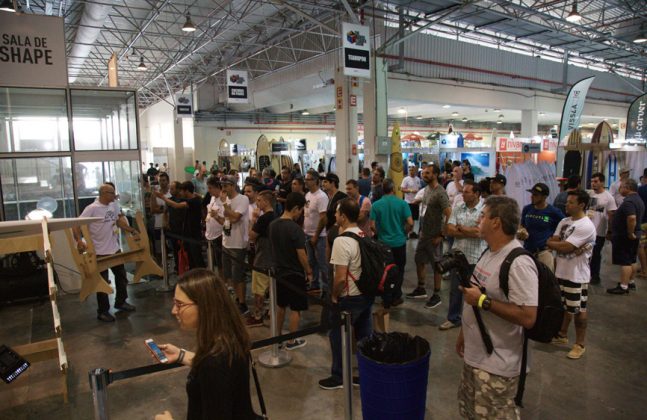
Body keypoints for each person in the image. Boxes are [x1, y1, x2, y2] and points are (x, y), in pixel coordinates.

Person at [456, 196, 538, 419]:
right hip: (476, 358)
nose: (478, 221)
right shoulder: (489, 252)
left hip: (498, 367)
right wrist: (465, 332)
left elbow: (528, 316)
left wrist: (483, 301)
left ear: (496, 222)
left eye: (483, 216)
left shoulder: (519, 263)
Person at [154, 269, 257, 420]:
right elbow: (215, 370)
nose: (174, 310)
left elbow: (213, 369)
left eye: (179, 304)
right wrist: (181, 355)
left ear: (204, 306)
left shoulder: (215, 362)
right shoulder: (230, 337)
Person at [319, 198, 372, 390]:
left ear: (343, 216)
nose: (334, 215)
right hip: (366, 294)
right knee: (365, 337)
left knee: (337, 336)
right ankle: (367, 374)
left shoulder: (342, 241)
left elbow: (340, 278)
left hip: (349, 298)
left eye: (337, 212)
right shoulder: (363, 234)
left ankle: (339, 376)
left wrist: (333, 296)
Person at [73, 184, 139, 322]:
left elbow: (118, 221)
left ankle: (121, 302)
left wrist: (130, 229)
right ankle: (102, 311)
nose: (114, 195)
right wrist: (79, 241)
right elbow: (76, 225)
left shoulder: (113, 205)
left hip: (114, 249)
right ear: (103, 193)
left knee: (122, 277)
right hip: (99, 252)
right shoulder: (92, 208)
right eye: (112, 193)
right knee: (102, 283)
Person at [547, 189, 596, 360]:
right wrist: (557, 244)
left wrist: (557, 244)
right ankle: (562, 334)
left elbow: (567, 247)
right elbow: (552, 241)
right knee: (565, 307)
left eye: (571, 202)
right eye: (567, 202)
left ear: (581, 204)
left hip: (577, 275)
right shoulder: (564, 221)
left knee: (578, 309)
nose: (566, 205)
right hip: (561, 271)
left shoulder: (586, 226)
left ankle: (580, 344)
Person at [439, 180, 486, 331]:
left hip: (476, 257)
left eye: (466, 192)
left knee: (475, 291)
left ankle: (475, 320)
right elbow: (449, 229)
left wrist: (461, 228)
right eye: (463, 191)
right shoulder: (458, 207)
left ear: (476, 194)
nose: (463, 194)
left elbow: (479, 232)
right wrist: (467, 230)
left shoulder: (484, 210)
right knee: (455, 290)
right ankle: (453, 318)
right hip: (458, 256)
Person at [269, 192, 313, 350]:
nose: (300, 214)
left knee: (280, 307)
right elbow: (301, 254)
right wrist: (308, 271)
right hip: (294, 273)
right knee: (296, 309)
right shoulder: (295, 229)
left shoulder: (273, 225)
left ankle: (278, 338)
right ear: (295, 208)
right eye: (300, 210)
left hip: (278, 272)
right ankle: (292, 341)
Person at [407, 165, 451, 309]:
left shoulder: (440, 192)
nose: (424, 175)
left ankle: (436, 294)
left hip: (434, 236)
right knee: (419, 260)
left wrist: (442, 235)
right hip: (424, 234)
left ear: (436, 174)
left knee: (437, 265)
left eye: (427, 173)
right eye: (423, 173)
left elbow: (449, 214)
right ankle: (421, 288)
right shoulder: (426, 190)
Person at [370, 178, 413, 307]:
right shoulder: (402, 204)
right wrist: (404, 232)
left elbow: (372, 226)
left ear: (382, 190)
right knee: (399, 269)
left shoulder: (376, 205)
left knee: (384, 270)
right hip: (399, 242)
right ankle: (396, 296)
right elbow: (410, 223)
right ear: (393, 189)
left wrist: (380, 233)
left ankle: (385, 296)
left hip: (383, 244)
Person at [607, 179, 645, 294]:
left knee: (625, 262)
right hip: (632, 236)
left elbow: (632, 218)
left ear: (628, 187)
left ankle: (623, 286)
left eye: (622, 186)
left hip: (625, 237)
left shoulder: (629, 202)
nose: (620, 189)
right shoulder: (638, 199)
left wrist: (630, 232)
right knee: (631, 260)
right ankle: (630, 281)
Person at [156, 181, 205, 270]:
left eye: (182, 191)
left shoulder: (194, 201)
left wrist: (163, 197)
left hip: (194, 234)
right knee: (191, 259)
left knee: (197, 258)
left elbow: (176, 205)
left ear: (186, 191)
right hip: (188, 234)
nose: (180, 193)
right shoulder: (192, 199)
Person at [220, 175, 250, 313]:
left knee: (238, 275)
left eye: (226, 186)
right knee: (228, 274)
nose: (224, 189)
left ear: (232, 185)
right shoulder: (224, 200)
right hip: (226, 241)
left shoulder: (243, 199)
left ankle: (242, 302)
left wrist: (226, 207)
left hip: (238, 243)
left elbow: (236, 217)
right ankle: (235, 299)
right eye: (223, 186)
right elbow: (226, 219)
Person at [518, 183, 564, 272]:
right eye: (532, 194)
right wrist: (521, 231)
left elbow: (566, 226)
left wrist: (555, 243)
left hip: (544, 252)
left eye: (535, 195)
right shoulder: (527, 209)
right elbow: (522, 225)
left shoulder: (553, 211)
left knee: (546, 282)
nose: (532, 197)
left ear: (544, 197)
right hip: (528, 251)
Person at [246, 191, 276, 327]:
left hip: (263, 258)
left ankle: (257, 315)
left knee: (259, 289)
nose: (257, 203)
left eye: (259, 200)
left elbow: (251, 235)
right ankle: (270, 311)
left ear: (266, 202)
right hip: (273, 258)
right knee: (271, 288)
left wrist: (253, 219)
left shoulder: (263, 219)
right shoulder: (276, 216)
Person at [587, 173, 617, 284]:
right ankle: (587, 273)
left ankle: (595, 275)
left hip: (599, 231)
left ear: (602, 182)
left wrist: (610, 230)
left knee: (595, 253)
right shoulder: (590, 194)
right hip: (587, 229)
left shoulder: (608, 197)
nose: (593, 184)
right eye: (592, 181)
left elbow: (611, 215)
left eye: (596, 181)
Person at [304, 170, 329, 295]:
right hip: (307, 234)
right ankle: (314, 284)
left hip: (319, 236)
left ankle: (326, 288)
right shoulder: (308, 195)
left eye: (308, 179)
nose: (306, 181)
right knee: (311, 261)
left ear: (315, 181)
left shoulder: (321, 196)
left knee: (322, 263)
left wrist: (316, 235)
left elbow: (324, 218)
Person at [205, 177, 225, 278]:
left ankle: (224, 282)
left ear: (217, 187)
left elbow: (225, 219)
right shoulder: (212, 198)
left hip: (220, 235)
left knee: (221, 262)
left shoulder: (224, 199)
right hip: (211, 235)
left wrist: (216, 216)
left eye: (210, 188)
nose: (208, 190)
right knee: (215, 262)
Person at [150, 172, 171, 262]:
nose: (162, 183)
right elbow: (153, 210)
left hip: (170, 223)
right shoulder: (155, 193)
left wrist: (161, 208)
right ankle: (162, 268)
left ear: (168, 181)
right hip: (158, 224)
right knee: (159, 248)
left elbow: (173, 207)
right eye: (160, 181)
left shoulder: (171, 192)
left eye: (163, 180)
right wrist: (166, 208)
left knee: (172, 246)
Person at [401, 165, 421, 239]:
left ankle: (411, 232)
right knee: (408, 218)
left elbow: (419, 188)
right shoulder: (406, 179)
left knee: (414, 219)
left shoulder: (418, 179)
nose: (412, 171)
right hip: (408, 202)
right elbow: (402, 189)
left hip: (415, 202)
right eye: (410, 170)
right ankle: (406, 233)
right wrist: (411, 190)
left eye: (413, 170)